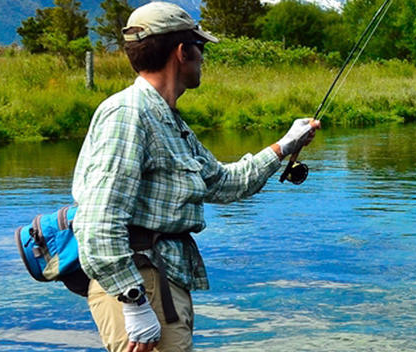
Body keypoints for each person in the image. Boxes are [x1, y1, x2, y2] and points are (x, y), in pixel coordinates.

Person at [71, 2, 319, 351]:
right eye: (200, 47)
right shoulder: (129, 115)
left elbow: (224, 182)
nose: (203, 57)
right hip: (140, 285)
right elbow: (98, 223)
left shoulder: (169, 122)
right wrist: (135, 302)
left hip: (159, 282)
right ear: (181, 52)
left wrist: (284, 146)